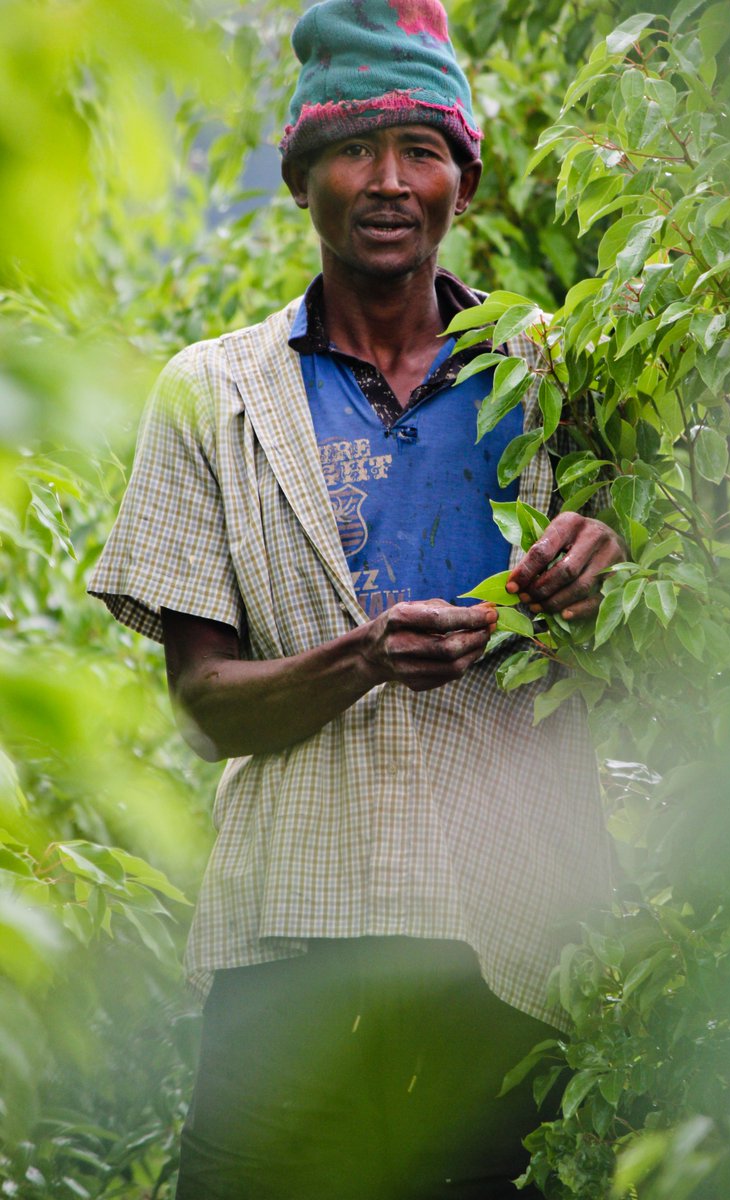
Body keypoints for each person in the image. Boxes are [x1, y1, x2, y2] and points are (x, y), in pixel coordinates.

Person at [89, 1, 623, 1195]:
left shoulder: (553, 374)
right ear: (300, 178)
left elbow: (664, 647)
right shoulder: (210, 395)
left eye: (420, 150)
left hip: (512, 942)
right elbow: (204, 704)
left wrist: (607, 566)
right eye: (352, 148)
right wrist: (363, 657)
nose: (387, 181)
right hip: (291, 942)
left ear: (463, 184)